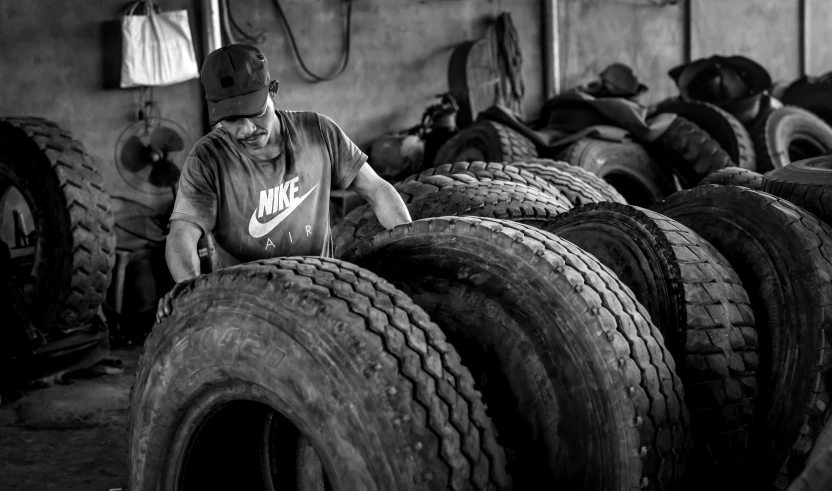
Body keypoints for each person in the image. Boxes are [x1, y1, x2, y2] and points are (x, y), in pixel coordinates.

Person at [156, 44, 412, 323]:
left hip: (323, 294)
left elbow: (376, 190)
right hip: (246, 311)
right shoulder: (207, 159)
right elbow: (182, 232)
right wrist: (187, 284)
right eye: (229, 120)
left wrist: (412, 248)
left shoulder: (319, 132)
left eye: (253, 113)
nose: (244, 130)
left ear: (273, 91)